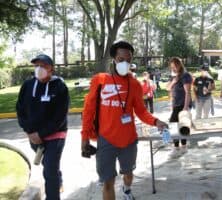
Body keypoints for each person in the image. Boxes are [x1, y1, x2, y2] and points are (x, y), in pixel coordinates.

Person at [81, 41, 167, 200]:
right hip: (105, 140)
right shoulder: (99, 80)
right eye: (121, 60)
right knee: (108, 182)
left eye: (128, 60)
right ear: (114, 59)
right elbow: (88, 111)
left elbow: (141, 111)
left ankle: (126, 190)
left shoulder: (134, 84)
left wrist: (156, 121)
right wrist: (85, 138)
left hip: (128, 140)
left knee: (128, 175)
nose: (125, 64)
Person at [16, 54, 69, 200]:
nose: (39, 69)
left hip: (56, 134)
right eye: (36, 65)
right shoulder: (27, 85)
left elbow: (60, 116)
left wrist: (41, 134)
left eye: (43, 66)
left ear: (51, 69)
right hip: (33, 136)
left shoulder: (60, 87)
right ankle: (59, 179)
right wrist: (29, 131)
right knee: (49, 164)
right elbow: (20, 109)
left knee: (49, 170)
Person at [166, 57, 192, 158]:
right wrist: (173, 81)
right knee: (175, 125)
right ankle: (179, 147)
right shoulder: (173, 76)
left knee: (178, 125)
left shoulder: (185, 75)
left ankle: (182, 147)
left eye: (175, 66)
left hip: (182, 104)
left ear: (180, 65)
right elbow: (167, 88)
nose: (174, 68)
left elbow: (188, 92)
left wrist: (185, 108)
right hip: (176, 104)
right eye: (172, 66)